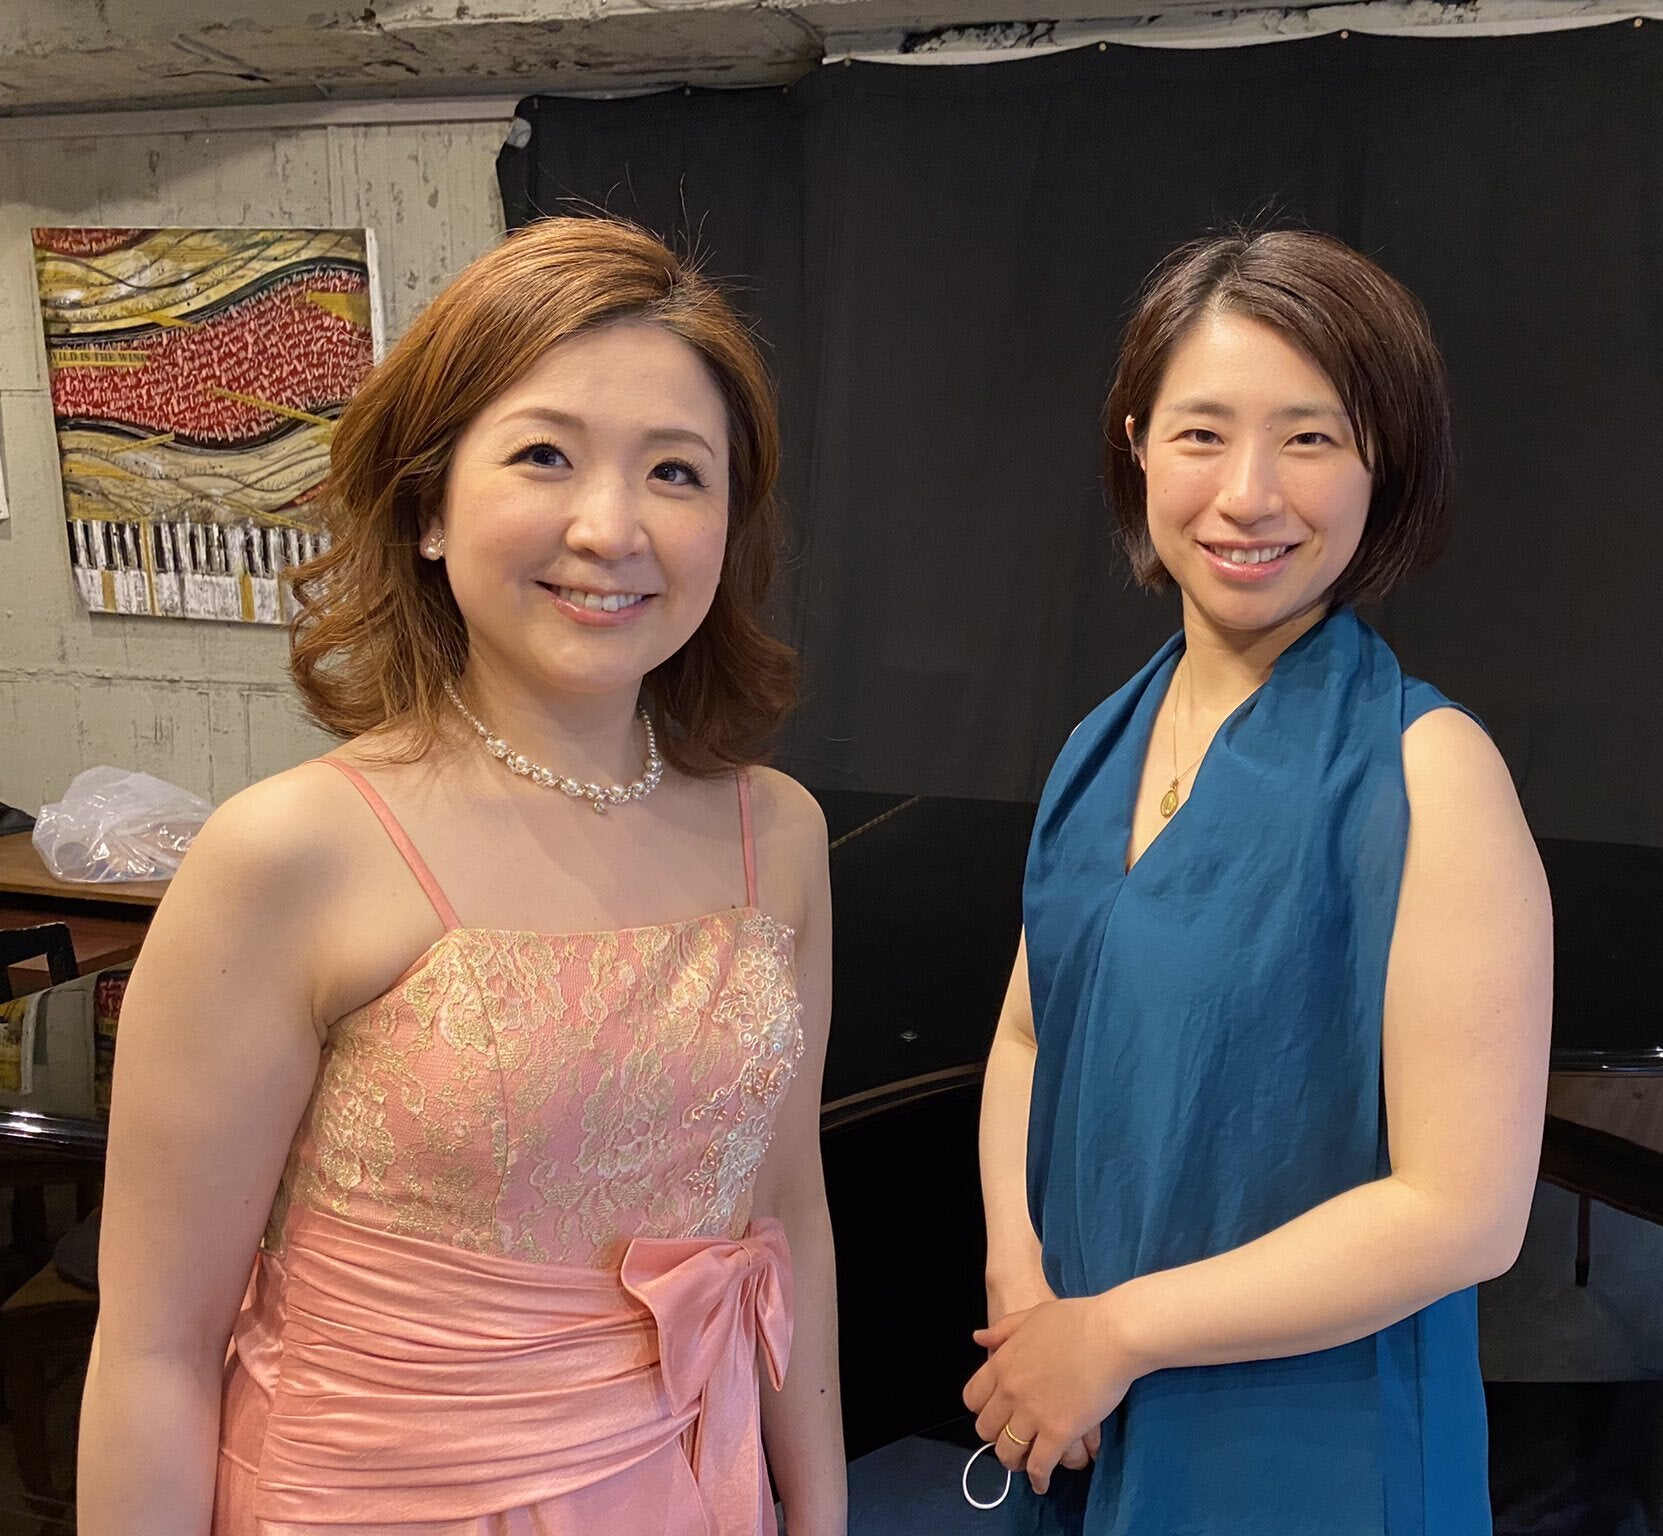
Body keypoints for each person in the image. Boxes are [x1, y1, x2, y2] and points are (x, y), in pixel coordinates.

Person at [77, 217, 845, 1536]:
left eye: (676, 471)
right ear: (429, 506)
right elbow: (154, 1350)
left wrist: (818, 1515)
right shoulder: (292, 853)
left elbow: (784, 1215)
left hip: (687, 1492)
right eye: (545, 455)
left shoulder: (775, 835)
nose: (610, 527)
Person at [969, 229, 1552, 1534]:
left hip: (1305, 1444)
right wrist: (1022, 1276)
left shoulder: (1430, 773)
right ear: (1136, 447)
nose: (1248, 495)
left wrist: (1117, 1331)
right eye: (1201, 434)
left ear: (1381, 464)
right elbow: (1026, 1036)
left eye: (1309, 439)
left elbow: (1465, 1214)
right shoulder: (1100, 745)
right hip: (1082, 1394)